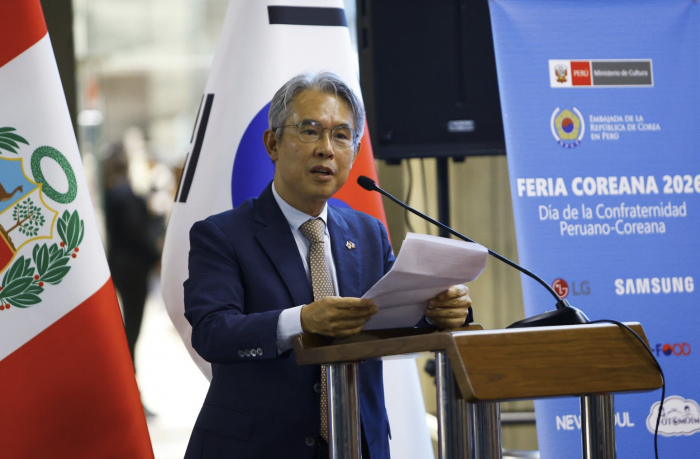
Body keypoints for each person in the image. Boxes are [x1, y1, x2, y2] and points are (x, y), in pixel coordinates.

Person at [183, 72, 472, 459]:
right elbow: (212, 333)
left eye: (341, 136)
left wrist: (442, 312)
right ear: (273, 144)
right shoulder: (222, 234)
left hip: (357, 444)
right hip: (259, 447)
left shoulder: (368, 233)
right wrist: (301, 320)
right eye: (309, 131)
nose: (326, 149)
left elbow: (398, 314)